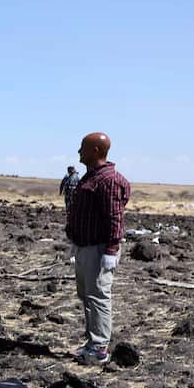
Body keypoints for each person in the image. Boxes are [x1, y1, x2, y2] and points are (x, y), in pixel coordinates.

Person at [65, 132, 131, 364]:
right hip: (86, 246)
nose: (79, 151)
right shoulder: (91, 177)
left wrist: (111, 250)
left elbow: (115, 218)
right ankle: (92, 341)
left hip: (99, 249)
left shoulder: (107, 180)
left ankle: (99, 347)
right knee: (87, 295)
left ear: (95, 151)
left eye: (83, 147)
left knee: (98, 296)